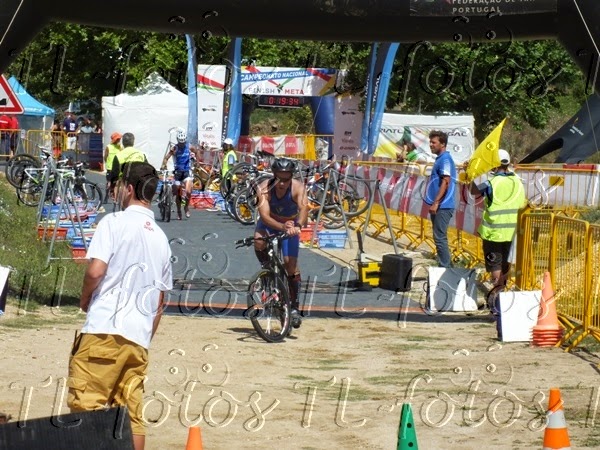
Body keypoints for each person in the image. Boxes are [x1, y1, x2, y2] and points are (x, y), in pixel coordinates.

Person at [67, 161, 172, 450]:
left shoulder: (113, 222)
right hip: (138, 338)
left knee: (86, 406)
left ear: (129, 189)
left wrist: (85, 299)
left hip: (105, 328)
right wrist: (145, 336)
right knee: (130, 416)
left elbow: (95, 271)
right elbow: (160, 301)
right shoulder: (161, 239)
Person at [254, 157, 309, 328]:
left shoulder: (298, 188)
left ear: (291, 176)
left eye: (286, 179)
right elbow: (264, 216)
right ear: (273, 175)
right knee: (258, 241)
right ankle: (267, 271)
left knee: (289, 264)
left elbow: (304, 209)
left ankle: (294, 306)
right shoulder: (264, 188)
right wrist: (280, 227)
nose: (282, 183)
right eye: (279, 178)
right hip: (270, 222)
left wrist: (298, 226)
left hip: (291, 224)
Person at [468, 149, 526, 304]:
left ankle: (497, 295)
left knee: (495, 263)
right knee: (506, 262)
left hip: (494, 232)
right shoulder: (518, 181)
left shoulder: (491, 182)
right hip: (513, 231)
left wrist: (475, 172)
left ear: (494, 163)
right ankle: (503, 294)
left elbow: (472, 190)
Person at [424, 130, 456, 268]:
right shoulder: (440, 159)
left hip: (443, 205)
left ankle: (445, 268)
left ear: (442, 144)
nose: (430, 144)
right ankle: (445, 266)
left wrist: (436, 203)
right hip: (440, 205)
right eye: (430, 142)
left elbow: (446, 181)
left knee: (440, 238)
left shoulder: (445, 159)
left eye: (434, 142)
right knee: (439, 237)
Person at [160, 129, 200, 220]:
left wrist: (197, 162)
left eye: (183, 142)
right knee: (178, 193)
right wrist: (164, 165)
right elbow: (166, 158)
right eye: (180, 143)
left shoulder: (189, 146)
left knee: (188, 192)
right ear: (178, 141)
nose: (182, 144)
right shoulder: (175, 148)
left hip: (186, 172)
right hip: (178, 173)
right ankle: (178, 210)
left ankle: (186, 207)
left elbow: (197, 152)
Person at [109, 132, 147, 197]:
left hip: (124, 184)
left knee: (123, 201)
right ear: (133, 142)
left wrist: (112, 188)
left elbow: (114, 174)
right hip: (138, 184)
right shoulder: (141, 154)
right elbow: (147, 169)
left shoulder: (118, 156)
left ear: (123, 142)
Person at [104, 132, 122, 202]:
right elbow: (105, 157)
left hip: (114, 168)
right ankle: (109, 197)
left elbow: (105, 157)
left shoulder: (118, 146)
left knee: (113, 183)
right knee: (111, 183)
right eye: (118, 139)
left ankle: (112, 197)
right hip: (113, 168)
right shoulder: (110, 146)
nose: (119, 140)